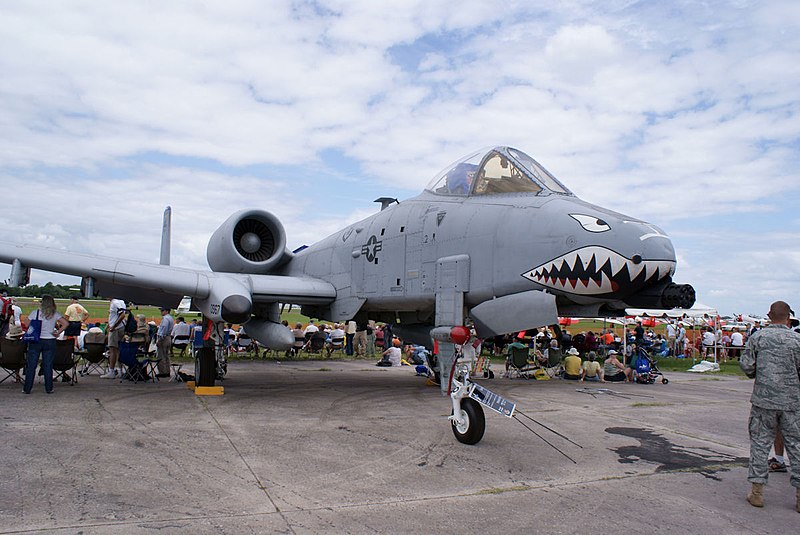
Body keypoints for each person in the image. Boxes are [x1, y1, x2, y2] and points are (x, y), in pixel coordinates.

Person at [739, 300, 800, 511]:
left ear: (768, 315)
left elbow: (746, 365)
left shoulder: (759, 337)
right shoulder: (796, 340)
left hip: (763, 401)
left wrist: (758, 374)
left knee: (759, 444)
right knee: (797, 446)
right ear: (788, 318)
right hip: (791, 402)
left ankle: (757, 492)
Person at [22, 295, 68, 394]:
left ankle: (27, 388)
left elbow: (26, 324)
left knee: (31, 365)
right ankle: (49, 388)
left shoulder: (35, 313)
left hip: (36, 340)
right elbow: (65, 323)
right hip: (50, 340)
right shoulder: (55, 314)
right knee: (48, 365)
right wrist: (58, 332)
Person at [101, 297, 127, 379]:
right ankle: (119, 370)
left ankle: (112, 371)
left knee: (112, 349)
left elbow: (122, 314)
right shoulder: (121, 301)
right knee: (118, 350)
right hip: (121, 327)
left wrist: (113, 326)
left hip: (116, 329)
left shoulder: (115, 303)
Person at [156, 307, 174, 378]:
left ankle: (162, 372)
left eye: (162, 310)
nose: (161, 312)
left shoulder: (165, 319)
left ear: (167, 311)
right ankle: (167, 371)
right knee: (166, 356)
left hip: (164, 338)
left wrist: (159, 339)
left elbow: (163, 329)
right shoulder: (171, 318)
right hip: (168, 337)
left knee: (161, 355)